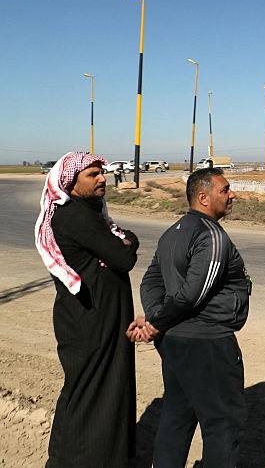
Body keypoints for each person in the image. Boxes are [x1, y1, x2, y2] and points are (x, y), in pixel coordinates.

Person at [130, 167, 251, 468]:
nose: (232, 195)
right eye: (225, 190)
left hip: (175, 342)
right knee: (222, 424)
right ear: (203, 197)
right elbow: (192, 294)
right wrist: (156, 323)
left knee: (177, 417)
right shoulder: (211, 236)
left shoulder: (173, 232)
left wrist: (156, 321)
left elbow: (151, 282)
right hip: (208, 345)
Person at [35, 152, 140, 467]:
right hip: (89, 320)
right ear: (70, 182)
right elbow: (124, 258)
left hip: (100, 317)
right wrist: (122, 246)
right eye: (92, 174)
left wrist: (125, 242)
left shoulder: (91, 213)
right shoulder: (76, 216)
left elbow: (125, 243)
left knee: (107, 388)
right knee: (89, 391)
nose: (102, 179)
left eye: (101, 173)